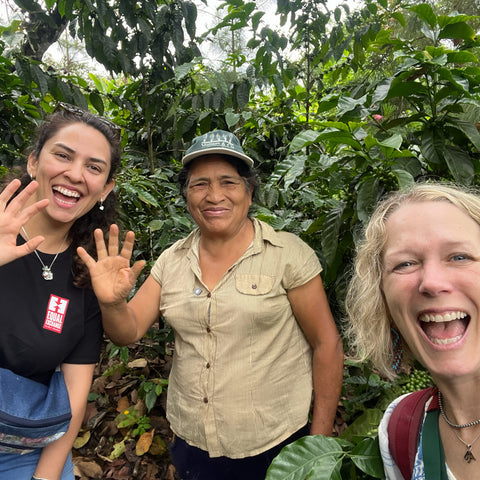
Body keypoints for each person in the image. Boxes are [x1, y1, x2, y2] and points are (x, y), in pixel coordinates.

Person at [78, 129, 344, 480]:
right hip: (193, 441)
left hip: (275, 442)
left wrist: (319, 445)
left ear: (249, 192)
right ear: (186, 196)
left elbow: (327, 343)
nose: (214, 195)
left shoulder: (288, 255)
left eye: (228, 182)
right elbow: (128, 332)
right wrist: (113, 304)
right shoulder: (171, 262)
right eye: (200, 184)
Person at [0, 103, 121, 480]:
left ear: (106, 187)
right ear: (34, 162)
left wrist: (46, 476)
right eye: (63, 156)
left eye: (94, 167)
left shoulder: (89, 273)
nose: (74, 174)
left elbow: (74, 392)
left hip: (22, 445)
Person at [345, 182, 480, 480]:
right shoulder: (400, 428)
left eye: (460, 256)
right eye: (405, 264)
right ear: (384, 304)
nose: (431, 282)